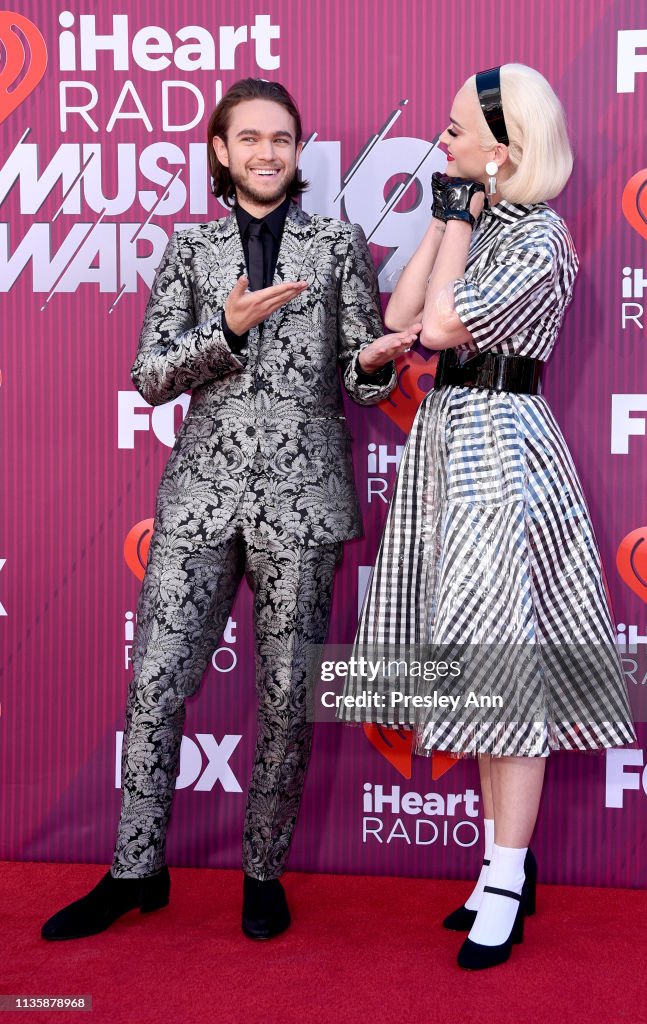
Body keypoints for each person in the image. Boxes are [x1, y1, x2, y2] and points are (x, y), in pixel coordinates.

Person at [41, 78, 418, 943]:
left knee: (288, 700)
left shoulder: (335, 246)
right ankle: (135, 870)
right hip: (200, 501)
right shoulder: (189, 249)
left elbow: (365, 379)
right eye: (249, 139)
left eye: (281, 140)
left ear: (297, 151)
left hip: (303, 503)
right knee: (155, 685)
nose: (265, 153)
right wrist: (231, 332)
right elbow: (150, 376)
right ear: (221, 151)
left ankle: (263, 872)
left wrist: (376, 363)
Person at [339, 64, 635, 970]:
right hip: (447, 448)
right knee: (471, 666)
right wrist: (447, 215)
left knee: (504, 671)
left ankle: (506, 874)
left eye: (458, 129)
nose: (443, 140)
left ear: (504, 152)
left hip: (499, 453)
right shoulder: (478, 221)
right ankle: (503, 861)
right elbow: (394, 311)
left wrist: (459, 221)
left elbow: (432, 330)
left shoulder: (539, 241)